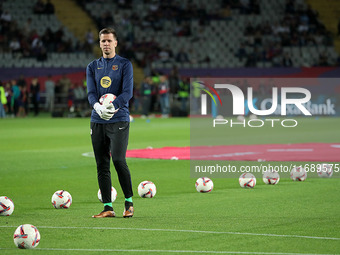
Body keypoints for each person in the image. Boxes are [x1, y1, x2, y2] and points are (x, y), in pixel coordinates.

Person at [87, 27, 134, 218]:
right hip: (98, 120)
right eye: (103, 41)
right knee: (101, 163)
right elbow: (91, 93)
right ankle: (108, 207)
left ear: (115, 43)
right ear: (99, 43)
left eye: (109, 41)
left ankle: (129, 203)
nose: (106, 44)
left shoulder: (125, 64)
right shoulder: (92, 67)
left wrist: (112, 106)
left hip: (119, 118)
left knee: (118, 159)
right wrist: (97, 107)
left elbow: (127, 93)